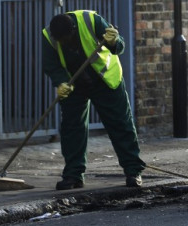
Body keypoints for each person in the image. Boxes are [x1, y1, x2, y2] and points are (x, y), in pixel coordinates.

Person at [42, 10, 145, 190]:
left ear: (73, 30)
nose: (64, 43)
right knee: (72, 128)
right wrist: (60, 82)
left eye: (66, 39)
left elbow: (120, 47)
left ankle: (133, 171)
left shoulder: (91, 21)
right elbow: (51, 64)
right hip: (73, 83)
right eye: (61, 41)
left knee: (120, 124)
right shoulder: (49, 36)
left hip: (105, 79)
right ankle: (73, 176)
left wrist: (114, 41)